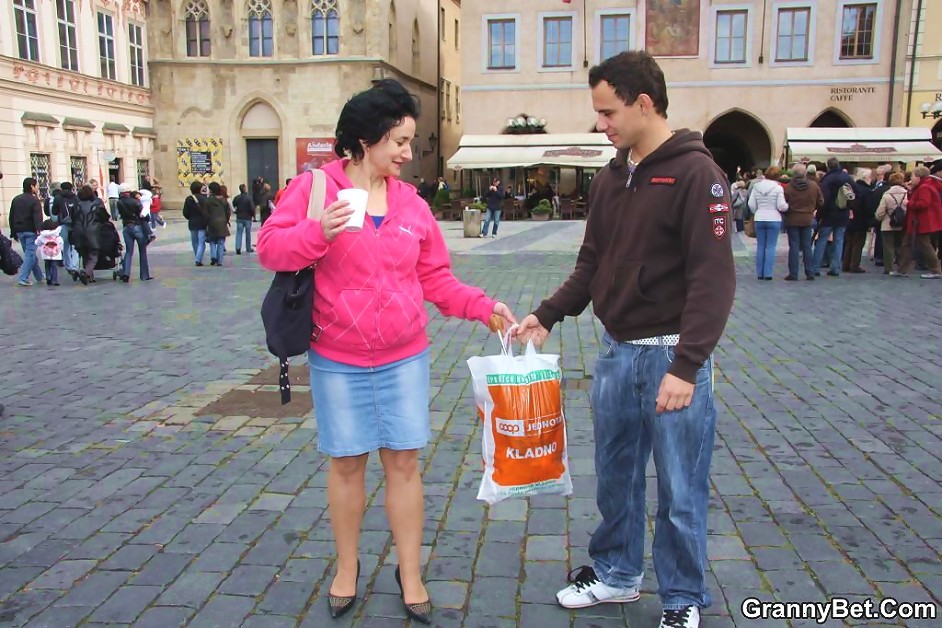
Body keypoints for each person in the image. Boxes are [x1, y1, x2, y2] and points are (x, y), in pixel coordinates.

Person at [257, 79, 516, 625]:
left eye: (409, 141)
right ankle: (347, 568)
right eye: (399, 141)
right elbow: (271, 249)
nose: (407, 152)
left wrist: (483, 306)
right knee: (347, 463)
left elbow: (436, 278)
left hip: (404, 357)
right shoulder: (314, 188)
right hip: (337, 357)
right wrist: (316, 232)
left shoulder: (411, 204)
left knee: (403, 463)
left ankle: (410, 572)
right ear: (365, 139)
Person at [514, 51, 735, 628]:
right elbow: (592, 261)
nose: (601, 124)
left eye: (608, 112)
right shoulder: (613, 176)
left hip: (671, 356)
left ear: (644, 103)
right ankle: (616, 574)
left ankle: (682, 599)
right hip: (617, 353)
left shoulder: (698, 175)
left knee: (681, 488)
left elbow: (712, 280)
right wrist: (548, 314)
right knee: (616, 476)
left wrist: (686, 366)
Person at [895, 166, 942, 278]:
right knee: (909, 244)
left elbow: (924, 203)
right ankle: (902, 270)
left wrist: (909, 203)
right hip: (918, 221)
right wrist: (910, 191)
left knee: (924, 246)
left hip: (920, 222)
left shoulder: (924, 187)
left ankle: (935, 270)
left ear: (918, 177)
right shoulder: (924, 186)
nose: (911, 178)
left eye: (912, 176)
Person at [812, 157, 855, 277]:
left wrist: (819, 215)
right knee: (839, 241)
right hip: (843, 213)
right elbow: (856, 192)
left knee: (822, 240)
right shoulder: (846, 177)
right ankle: (835, 267)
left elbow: (824, 200)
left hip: (829, 215)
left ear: (828, 166)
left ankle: (815, 267)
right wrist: (849, 207)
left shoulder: (827, 179)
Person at [782, 163, 823, 280]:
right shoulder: (814, 186)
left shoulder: (788, 187)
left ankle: (793, 273)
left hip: (792, 219)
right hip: (807, 218)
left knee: (794, 246)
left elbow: (783, 204)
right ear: (805, 173)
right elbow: (821, 202)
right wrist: (812, 209)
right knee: (807, 246)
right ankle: (810, 272)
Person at [747, 166, 788, 280]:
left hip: (759, 218)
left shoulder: (756, 187)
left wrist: (757, 211)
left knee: (760, 246)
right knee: (770, 246)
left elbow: (751, 204)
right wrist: (787, 206)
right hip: (774, 218)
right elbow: (781, 206)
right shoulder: (778, 188)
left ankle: (760, 273)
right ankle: (768, 273)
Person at [9, 177, 45, 286]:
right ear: (31, 187)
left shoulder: (16, 199)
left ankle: (39, 276)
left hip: (19, 231)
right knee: (30, 255)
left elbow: (11, 217)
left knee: (30, 254)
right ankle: (23, 278)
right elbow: (37, 217)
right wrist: (39, 230)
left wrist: (13, 232)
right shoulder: (34, 200)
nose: (37, 188)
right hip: (30, 231)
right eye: (36, 185)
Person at [71, 184, 110, 284]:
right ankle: (86, 272)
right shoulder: (96, 205)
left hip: (78, 231)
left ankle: (89, 277)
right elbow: (105, 217)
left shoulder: (76, 206)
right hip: (92, 231)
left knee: (84, 254)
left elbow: (72, 218)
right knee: (93, 254)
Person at [116, 183, 153, 283]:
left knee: (129, 252)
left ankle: (126, 273)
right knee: (142, 251)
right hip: (137, 227)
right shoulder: (135, 202)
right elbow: (143, 214)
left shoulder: (119, 202)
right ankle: (144, 275)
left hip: (126, 227)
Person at [874, 172, 908, 274]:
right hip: (903, 223)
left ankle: (889, 268)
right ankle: (902, 268)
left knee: (888, 247)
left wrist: (878, 218)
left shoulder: (887, 194)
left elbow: (880, 212)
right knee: (900, 246)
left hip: (887, 224)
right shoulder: (906, 193)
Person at [52, 181, 80, 278]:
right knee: (75, 245)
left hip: (63, 224)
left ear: (61, 188)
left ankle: (68, 266)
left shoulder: (58, 198)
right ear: (71, 188)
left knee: (65, 245)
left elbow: (54, 212)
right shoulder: (76, 197)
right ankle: (75, 266)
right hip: (75, 224)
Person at [204, 182, 231, 266]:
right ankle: (220, 261)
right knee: (221, 242)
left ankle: (213, 256)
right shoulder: (224, 201)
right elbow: (228, 212)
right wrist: (226, 220)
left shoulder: (208, 200)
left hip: (212, 222)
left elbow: (205, 213)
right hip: (222, 222)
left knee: (212, 240)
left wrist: (207, 221)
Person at [183, 181, 209, 266]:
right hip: (202, 222)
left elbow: (185, 212)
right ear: (200, 189)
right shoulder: (204, 199)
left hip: (192, 222)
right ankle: (198, 259)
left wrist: (190, 217)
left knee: (194, 242)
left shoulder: (189, 199)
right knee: (201, 242)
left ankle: (197, 256)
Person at [35, 219, 63, 286]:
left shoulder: (42, 236)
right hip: (55, 255)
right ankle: (54, 280)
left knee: (47, 265)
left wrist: (42, 245)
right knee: (54, 266)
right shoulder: (57, 235)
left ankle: (48, 277)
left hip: (46, 254)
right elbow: (61, 243)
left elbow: (37, 243)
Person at [233, 183, 256, 254]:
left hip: (239, 217)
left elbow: (234, 204)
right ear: (245, 189)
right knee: (248, 233)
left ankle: (238, 248)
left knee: (239, 233)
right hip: (247, 218)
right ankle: (248, 248)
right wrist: (253, 215)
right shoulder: (249, 198)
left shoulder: (237, 197)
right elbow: (252, 208)